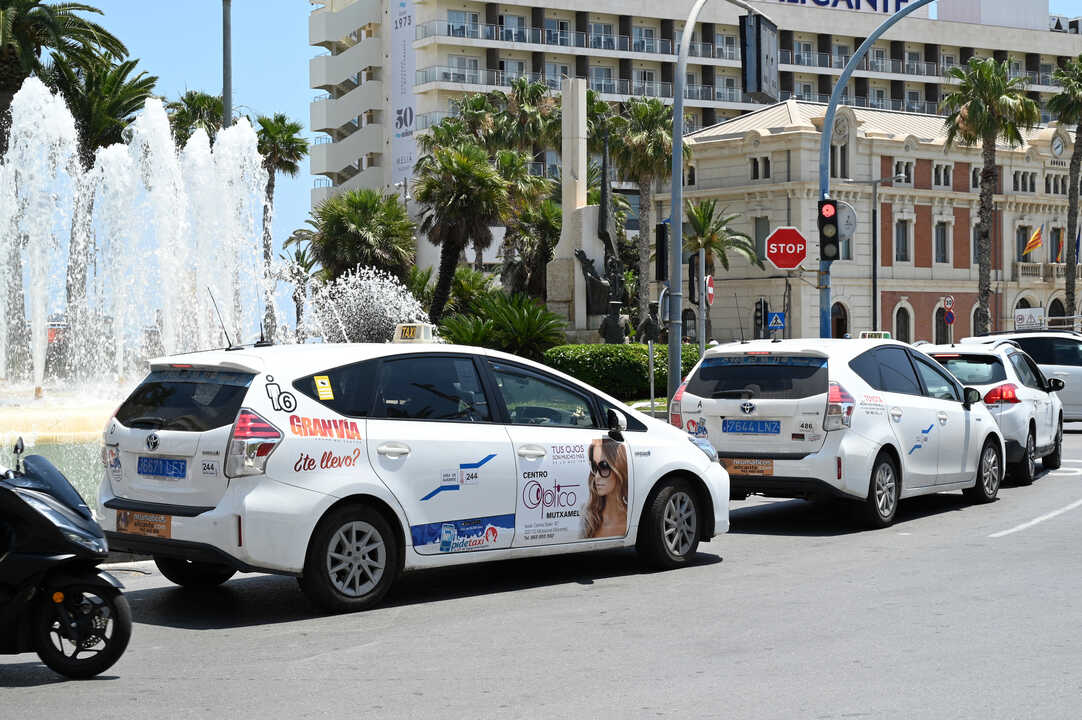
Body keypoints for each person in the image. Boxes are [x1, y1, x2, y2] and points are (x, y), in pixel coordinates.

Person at [583, 437, 629, 538]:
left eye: (604, 466)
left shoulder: (631, 518)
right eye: (594, 467)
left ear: (618, 467)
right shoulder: (587, 517)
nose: (597, 477)